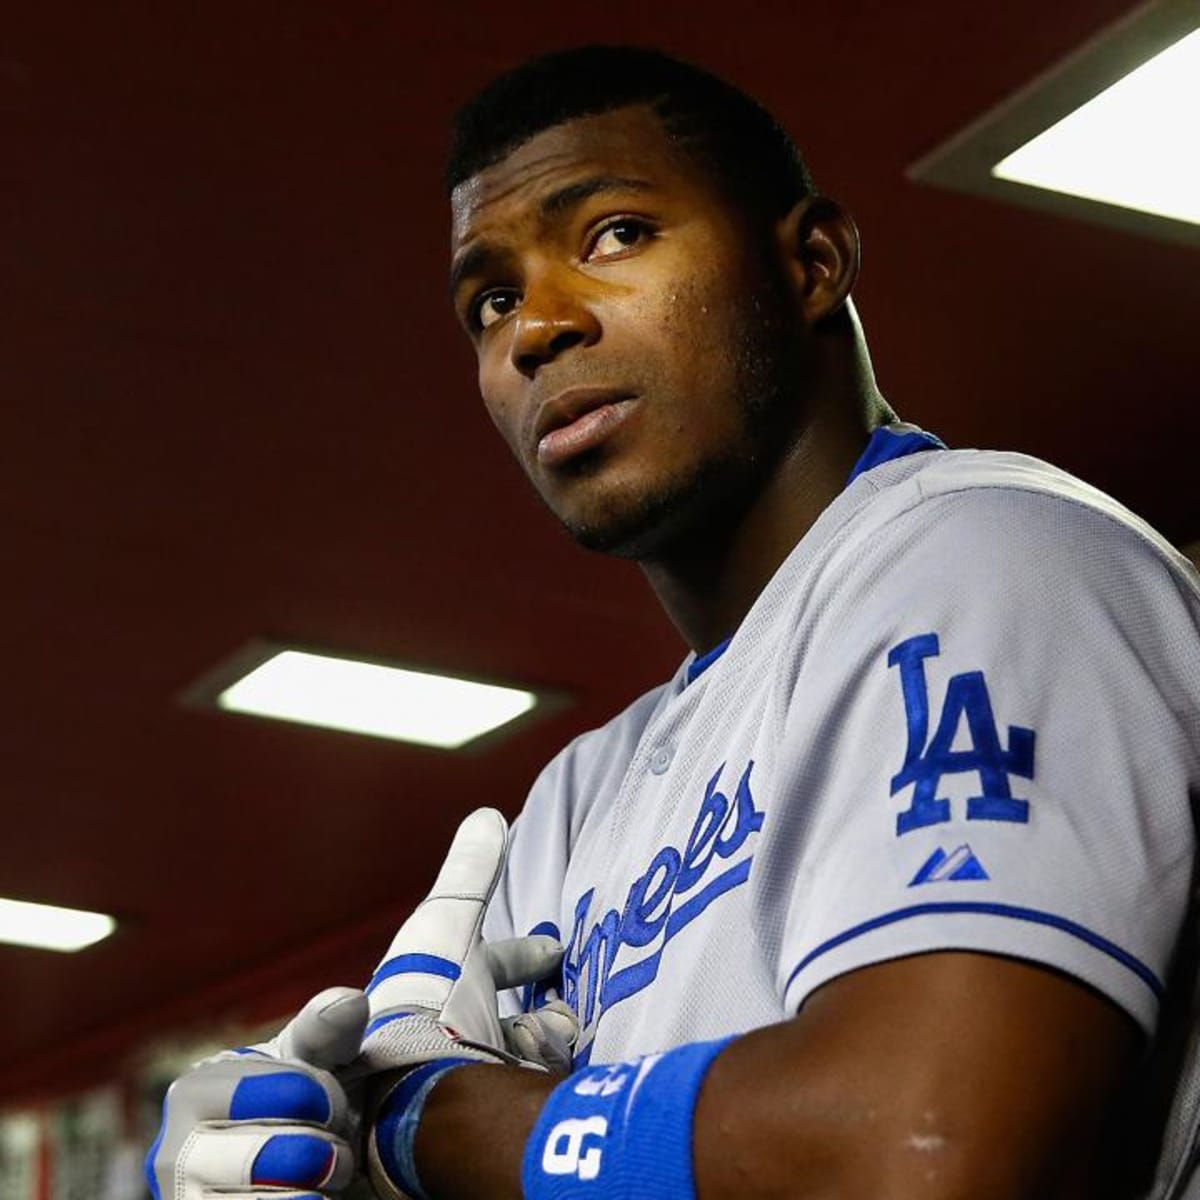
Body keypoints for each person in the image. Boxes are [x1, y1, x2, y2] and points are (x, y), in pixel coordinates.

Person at [148, 46, 1200, 1200]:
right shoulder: (576, 802)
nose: (535, 328)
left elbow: (923, 1146)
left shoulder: (988, 560)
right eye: (490, 300)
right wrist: (333, 1158)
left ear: (811, 264)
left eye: (614, 236)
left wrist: (428, 1121)